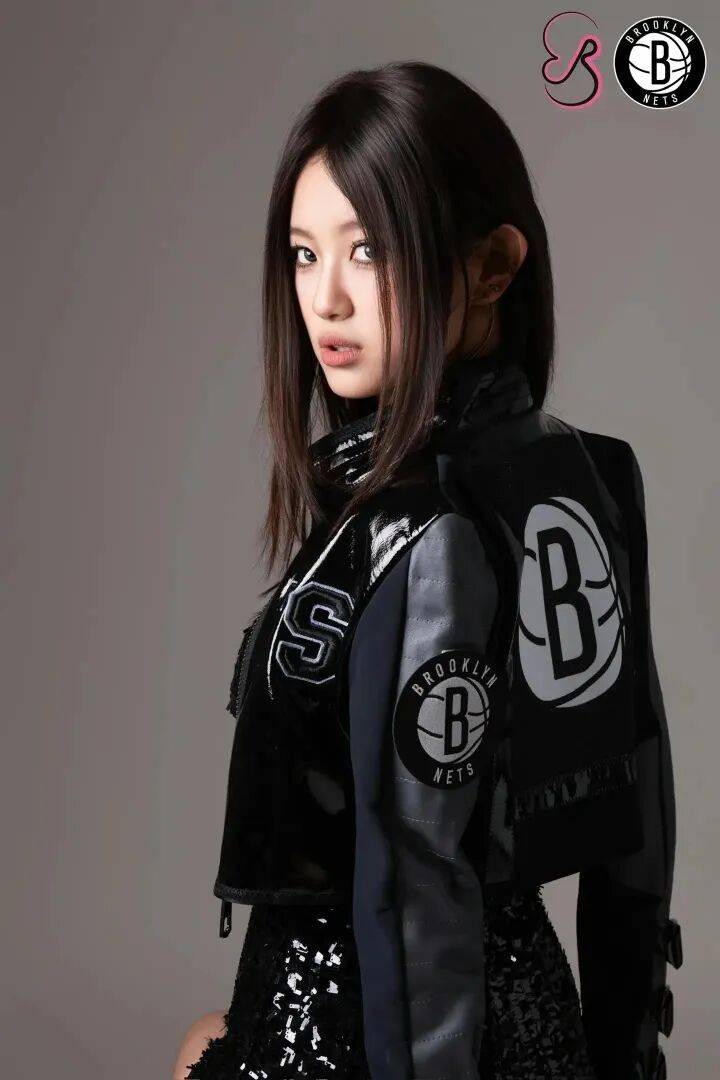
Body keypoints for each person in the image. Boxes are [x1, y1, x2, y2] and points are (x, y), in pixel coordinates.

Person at [173, 60, 682, 1080]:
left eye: (370, 250)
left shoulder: (423, 530)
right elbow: (637, 826)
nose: (325, 299)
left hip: (382, 1036)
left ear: (492, 268)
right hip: (530, 1024)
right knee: (195, 1044)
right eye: (304, 253)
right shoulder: (587, 475)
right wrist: (623, 1056)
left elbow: (417, 888)